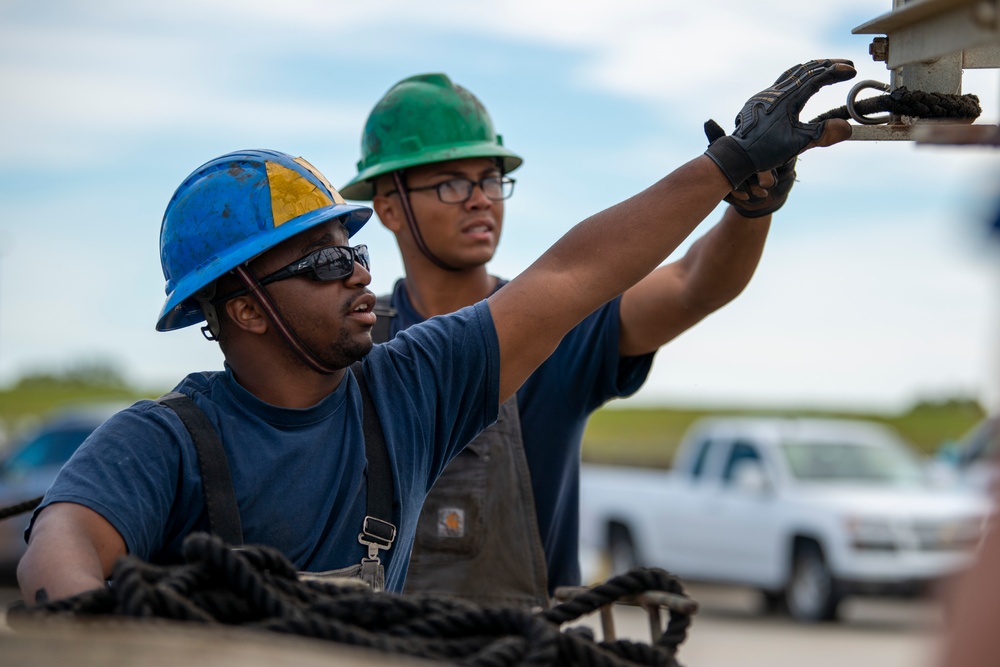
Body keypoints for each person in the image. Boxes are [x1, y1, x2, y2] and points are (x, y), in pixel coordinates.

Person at [17, 59, 856, 605]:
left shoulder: (410, 385)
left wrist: (732, 171)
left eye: (349, 251)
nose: (354, 271)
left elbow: (574, 275)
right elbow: (59, 547)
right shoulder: (166, 441)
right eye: (318, 264)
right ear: (240, 308)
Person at [338, 73, 809, 606]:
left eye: (491, 180)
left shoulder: (553, 322)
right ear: (389, 207)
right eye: (451, 183)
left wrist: (752, 206)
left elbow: (693, 283)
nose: (480, 200)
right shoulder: (353, 347)